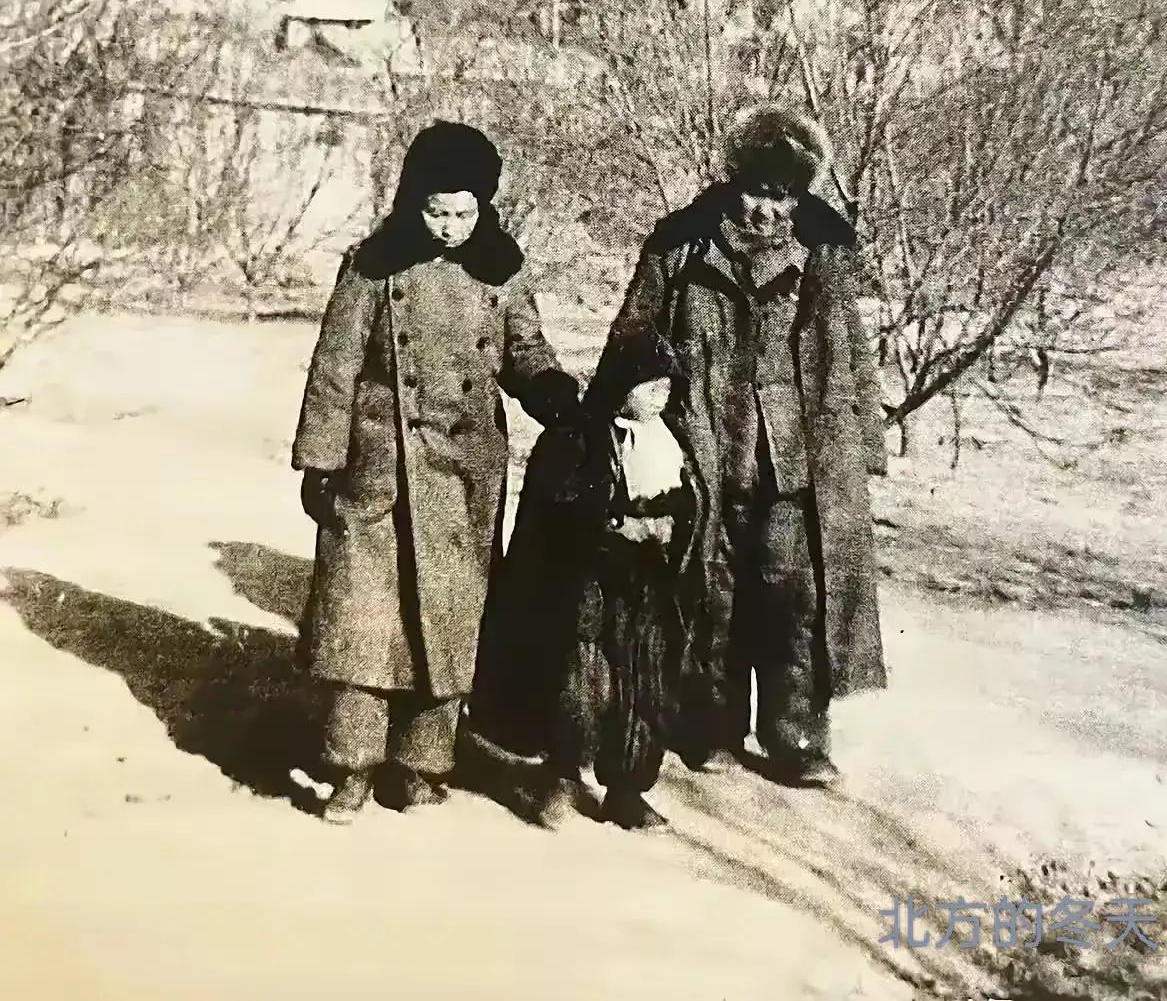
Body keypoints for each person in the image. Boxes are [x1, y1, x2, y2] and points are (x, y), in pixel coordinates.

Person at [587, 104, 889, 789]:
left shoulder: (823, 257)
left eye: (782, 196)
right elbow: (633, 336)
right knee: (708, 593)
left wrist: (861, 442)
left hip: (792, 459)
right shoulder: (683, 247)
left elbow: (848, 353)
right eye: (756, 191)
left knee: (794, 598)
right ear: (732, 185)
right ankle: (710, 730)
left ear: (801, 196)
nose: (765, 211)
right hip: (703, 446)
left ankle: (798, 740)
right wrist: (613, 420)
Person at [290, 120, 580, 825]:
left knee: (446, 623)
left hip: (463, 471)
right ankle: (351, 768)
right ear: (411, 200)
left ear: (485, 207)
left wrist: (554, 393)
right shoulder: (373, 266)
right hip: (378, 466)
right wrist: (320, 460)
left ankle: (421, 765)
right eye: (436, 210)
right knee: (363, 619)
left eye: (465, 212)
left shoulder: (502, 271)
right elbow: (334, 367)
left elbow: (525, 350)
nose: (450, 226)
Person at [534, 331, 706, 832]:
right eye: (649, 385)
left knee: (645, 678)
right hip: (594, 579)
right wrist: (613, 526)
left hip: (650, 581)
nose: (661, 395)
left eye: (667, 387)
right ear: (622, 384)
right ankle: (562, 774)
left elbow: (691, 500)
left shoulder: (670, 440)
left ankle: (628, 787)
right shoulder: (581, 438)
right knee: (585, 676)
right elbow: (563, 508)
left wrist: (674, 524)